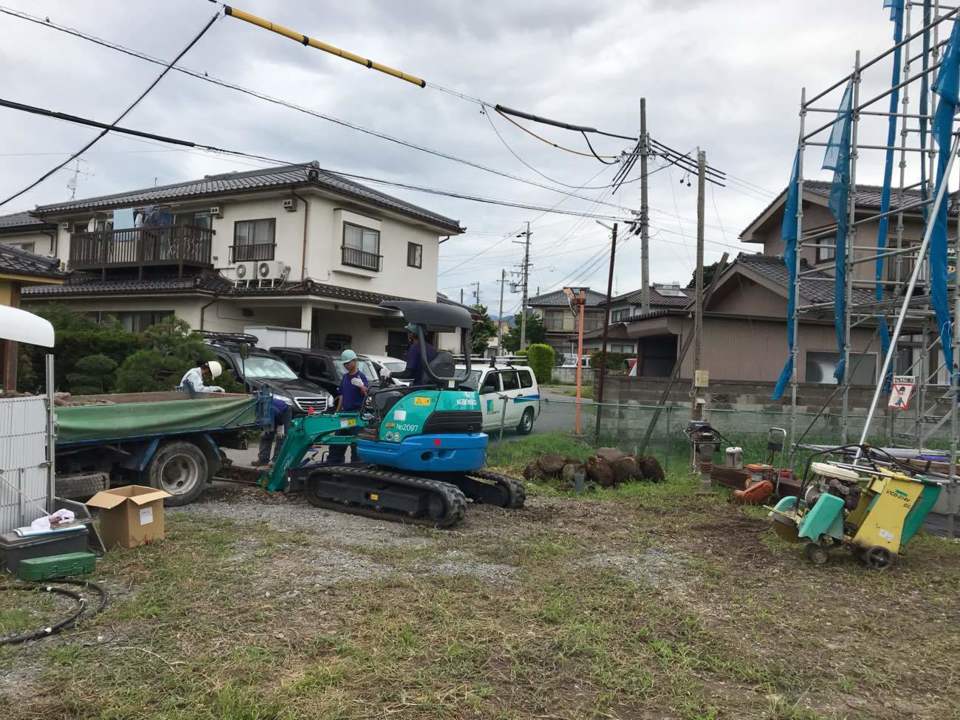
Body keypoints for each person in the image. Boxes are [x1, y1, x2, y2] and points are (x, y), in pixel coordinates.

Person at [328, 349, 368, 464]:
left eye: (348, 363)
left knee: (356, 445)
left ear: (355, 361)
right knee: (337, 443)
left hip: (356, 415)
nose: (346, 365)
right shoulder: (345, 377)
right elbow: (342, 396)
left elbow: (366, 395)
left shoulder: (361, 377)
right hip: (344, 415)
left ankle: (356, 468)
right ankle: (333, 465)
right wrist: (337, 412)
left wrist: (362, 387)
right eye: (344, 363)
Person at [254, 396, 293, 467]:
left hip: (284, 411)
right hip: (272, 414)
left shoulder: (271, 409)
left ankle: (276, 461)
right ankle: (263, 459)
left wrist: (280, 428)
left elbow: (278, 418)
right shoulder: (256, 407)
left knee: (281, 437)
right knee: (266, 435)